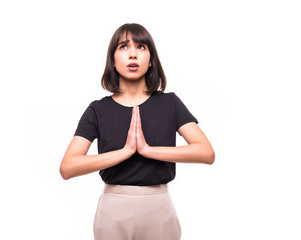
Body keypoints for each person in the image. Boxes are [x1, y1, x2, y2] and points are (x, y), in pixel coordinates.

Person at [60, 23, 215, 240]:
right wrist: (124, 152)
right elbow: (68, 167)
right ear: (112, 60)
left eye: (141, 47)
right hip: (113, 210)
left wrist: (148, 150)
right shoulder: (98, 109)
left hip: (159, 207)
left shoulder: (170, 103)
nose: (133, 54)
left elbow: (206, 153)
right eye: (123, 47)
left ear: (151, 60)